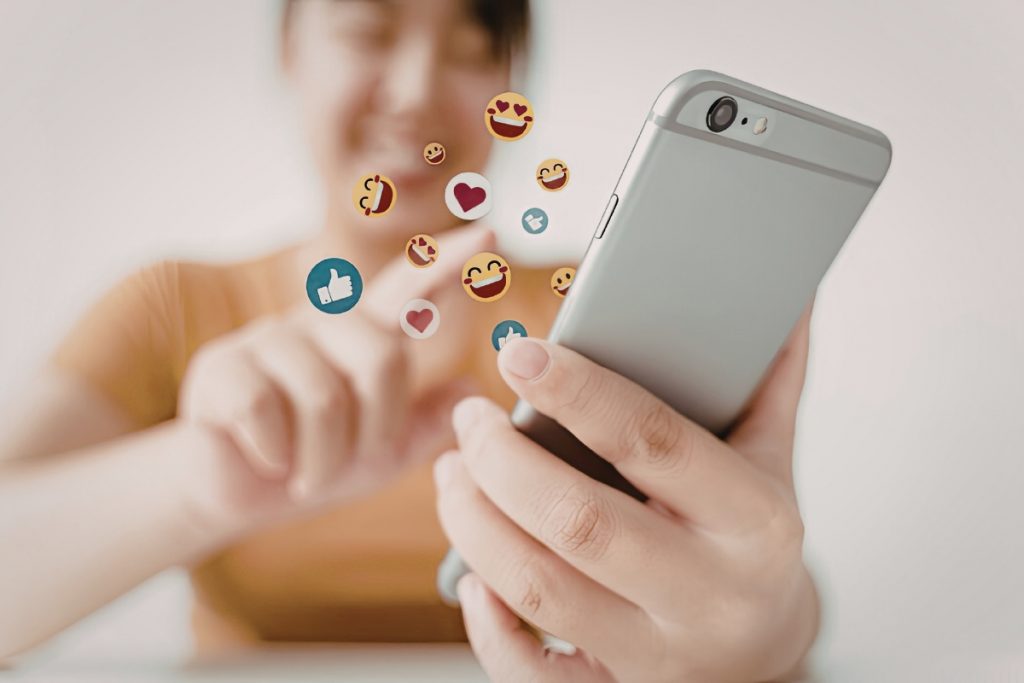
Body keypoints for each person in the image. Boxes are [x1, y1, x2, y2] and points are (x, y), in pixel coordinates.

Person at [0, 0, 819, 680]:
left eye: (472, 47)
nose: (417, 93)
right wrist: (199, 480)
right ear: (290, 52)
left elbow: (755, 582)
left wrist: (769, 627)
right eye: (369, 30)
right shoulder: (173, 305)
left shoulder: (604, 323)